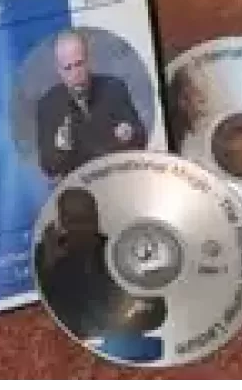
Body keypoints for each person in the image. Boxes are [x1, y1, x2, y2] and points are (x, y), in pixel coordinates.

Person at [35, 187, 167, 342]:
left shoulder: (119, 253)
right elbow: (40, 314)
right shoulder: (45, 256)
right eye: (74, 221)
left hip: (119, 341)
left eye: (87, 219)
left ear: (96, 218)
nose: (82, 228)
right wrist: (49, 266)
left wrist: (124, 321)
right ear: (61, 221)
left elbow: (156, 310)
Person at [36, 29, 147, 180]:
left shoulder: (114, 88)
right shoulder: (48, 106)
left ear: (88, 61)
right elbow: (48, 167)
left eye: (79, 64)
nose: (75, 74)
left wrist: (130, 133)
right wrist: (60, 149)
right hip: (80, 186)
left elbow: (141, 137)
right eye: (67, 68)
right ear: (59, 71)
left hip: (118, 177)